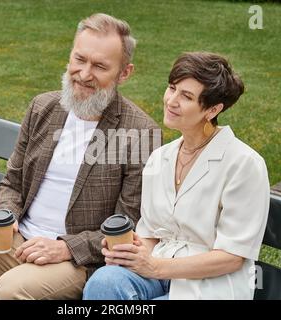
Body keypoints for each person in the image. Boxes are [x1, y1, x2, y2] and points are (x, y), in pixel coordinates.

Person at [0, 13, 161, 300]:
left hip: (76, 259)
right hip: (16, 238)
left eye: (100, 66)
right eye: (80, 59)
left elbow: (128, 222)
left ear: (124, 73)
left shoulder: (140, 131)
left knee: (12, 290)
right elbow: (12, 182)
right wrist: (4, 214)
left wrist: (66, 247)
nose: (85, 74)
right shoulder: (43, 107)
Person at [83, 52, 270, 300]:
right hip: (158, 272)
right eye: (172, 88)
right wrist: (129, 252)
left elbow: (232, 257)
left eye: (187, 96)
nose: (171, 101)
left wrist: (155, 267)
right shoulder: (160, 158)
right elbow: (149, 234)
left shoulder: (244, 164)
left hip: (211, 286)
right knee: (103, 282)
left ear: (213, 109)